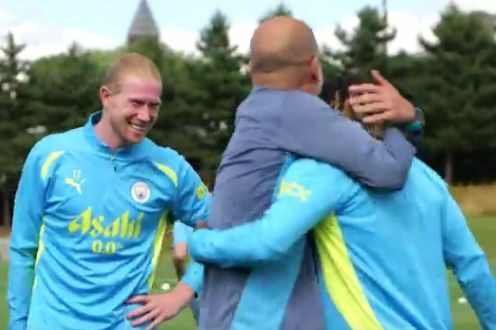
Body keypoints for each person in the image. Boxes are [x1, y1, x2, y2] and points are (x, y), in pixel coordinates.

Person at [188, 75, 496, 329]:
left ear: (336, 110)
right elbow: (473, 268)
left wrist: (201, 242)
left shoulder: (322, 172)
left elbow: (267, 241)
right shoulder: (430, 180)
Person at [198, 16, 424, 330]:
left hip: (224, 308)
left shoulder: (254, 111)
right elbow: (388, 171)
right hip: (258, 315)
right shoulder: (295, 110)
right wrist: (409, 121)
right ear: (315, 68)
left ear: (251, 71)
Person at [7, 53, 210, 330]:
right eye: (136, 103)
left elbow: (222, 228)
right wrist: (19, 324)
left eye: (154, 106)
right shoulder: (50, 156)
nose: (145, 115)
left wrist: (183, 292)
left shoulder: (169, 168)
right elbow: (22, 249)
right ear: (106, 96)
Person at [172, 220, 200, 321]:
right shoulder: (222, 213)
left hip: (197, 285)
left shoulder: (182, 222)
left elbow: (179, 255)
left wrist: (180, 276)